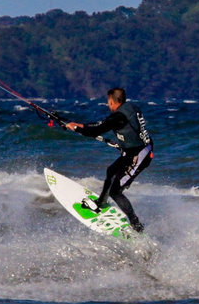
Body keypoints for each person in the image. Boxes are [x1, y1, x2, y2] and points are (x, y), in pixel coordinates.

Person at [65, 87, 153, 233]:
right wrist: (79, 125)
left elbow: (97, 130)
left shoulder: (117, 117)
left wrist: (77, 129)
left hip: (139, 156)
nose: (108, 105)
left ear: (111, 101)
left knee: (116, 191)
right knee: (111, 170)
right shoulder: (132, 107)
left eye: (108, 102)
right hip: (134, 152)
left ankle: (136, 225)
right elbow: (103, 124)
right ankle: (101, 202)